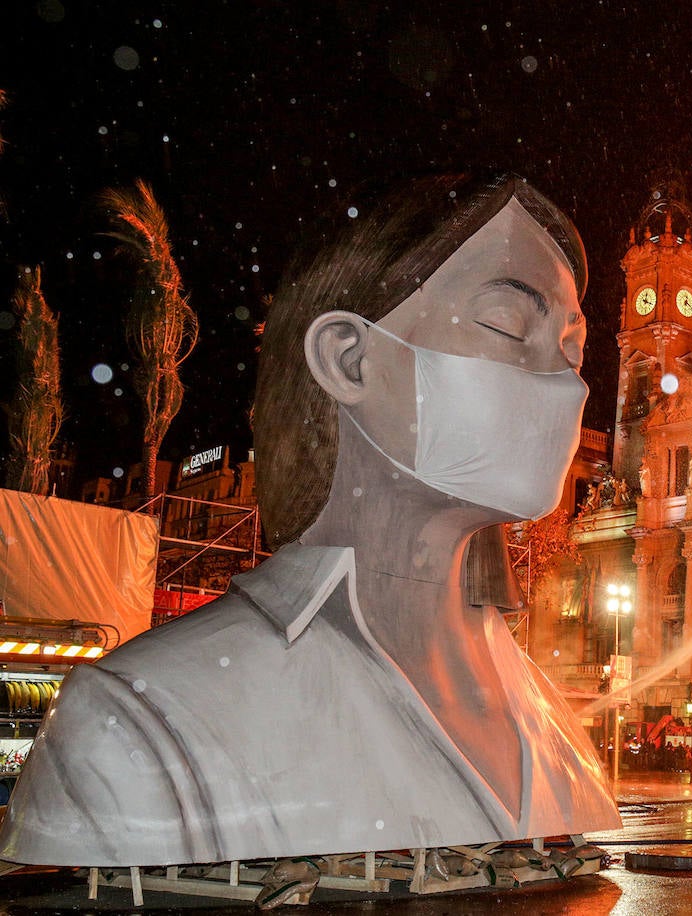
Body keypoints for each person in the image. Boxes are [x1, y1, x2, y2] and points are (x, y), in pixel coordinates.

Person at [0, 172, 621, 868]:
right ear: (348, 358)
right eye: (507, 325)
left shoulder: (553, 723)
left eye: (573, 347)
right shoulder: (142, 724)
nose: (568, 383)